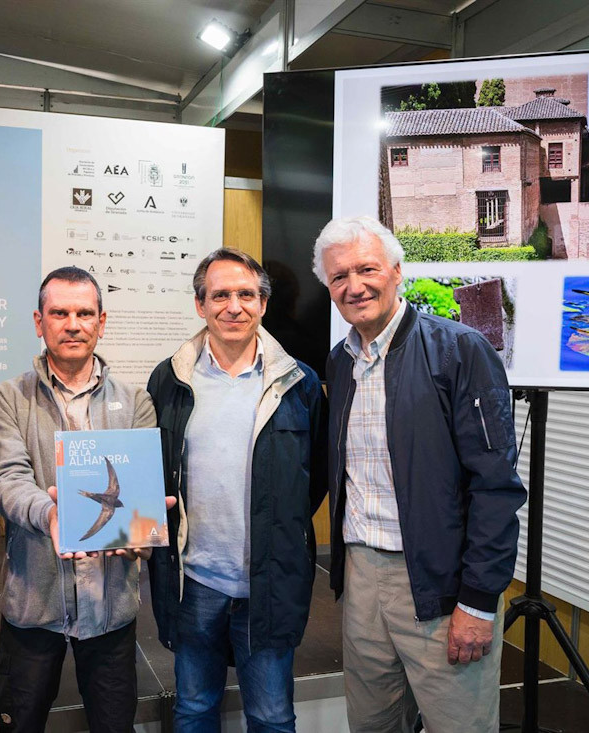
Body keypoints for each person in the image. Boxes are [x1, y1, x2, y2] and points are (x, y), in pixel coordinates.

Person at [314, 216, 527, 732]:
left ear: (397, 271)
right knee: (373, 724)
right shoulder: (340, 363)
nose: (354, 285)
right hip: (361, 577)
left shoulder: (459, 350)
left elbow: (495, 488)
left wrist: (478, 601)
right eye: (339, 276)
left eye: (367, 269)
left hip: (439, 581)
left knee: (460, 724)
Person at [0, 266, 170, 733]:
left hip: (110, 607)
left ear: (101, 322)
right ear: (38, 320)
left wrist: (143, 530)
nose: (72, 323)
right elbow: (6, 478)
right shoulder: (9, 399)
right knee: (17, 724)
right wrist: (49, 514)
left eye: (84, 313)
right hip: (34, 603)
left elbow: (140, 492)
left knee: (114, 725)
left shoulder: (136, 400)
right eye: (59, 312)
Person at [147, 248, 327, 732]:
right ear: (200, 304)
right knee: (193, 709)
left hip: (267, 583)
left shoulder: (298, 383)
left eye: (246, 294)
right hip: (195, 582)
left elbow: (314, 480)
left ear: (263, 304)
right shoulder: (169, 378)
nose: (234, 306)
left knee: (271, 717)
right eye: (220, 295)